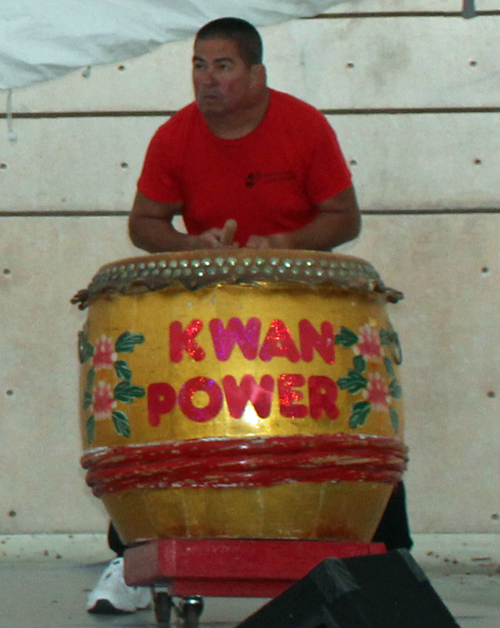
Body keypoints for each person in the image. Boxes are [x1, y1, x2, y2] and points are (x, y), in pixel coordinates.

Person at [87, 16, 410, 614]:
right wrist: (192, 247)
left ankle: (393, 554)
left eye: (224, 66)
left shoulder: (303, 126)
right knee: (164, 424)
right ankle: (130, 556)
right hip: (205, 311)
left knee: (342, 422)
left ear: (257, 73)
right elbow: (145, 223)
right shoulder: (175, 137)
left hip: (301, 306)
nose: (208, 81)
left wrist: (285, 246)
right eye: (199, 66)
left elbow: (344, 217)